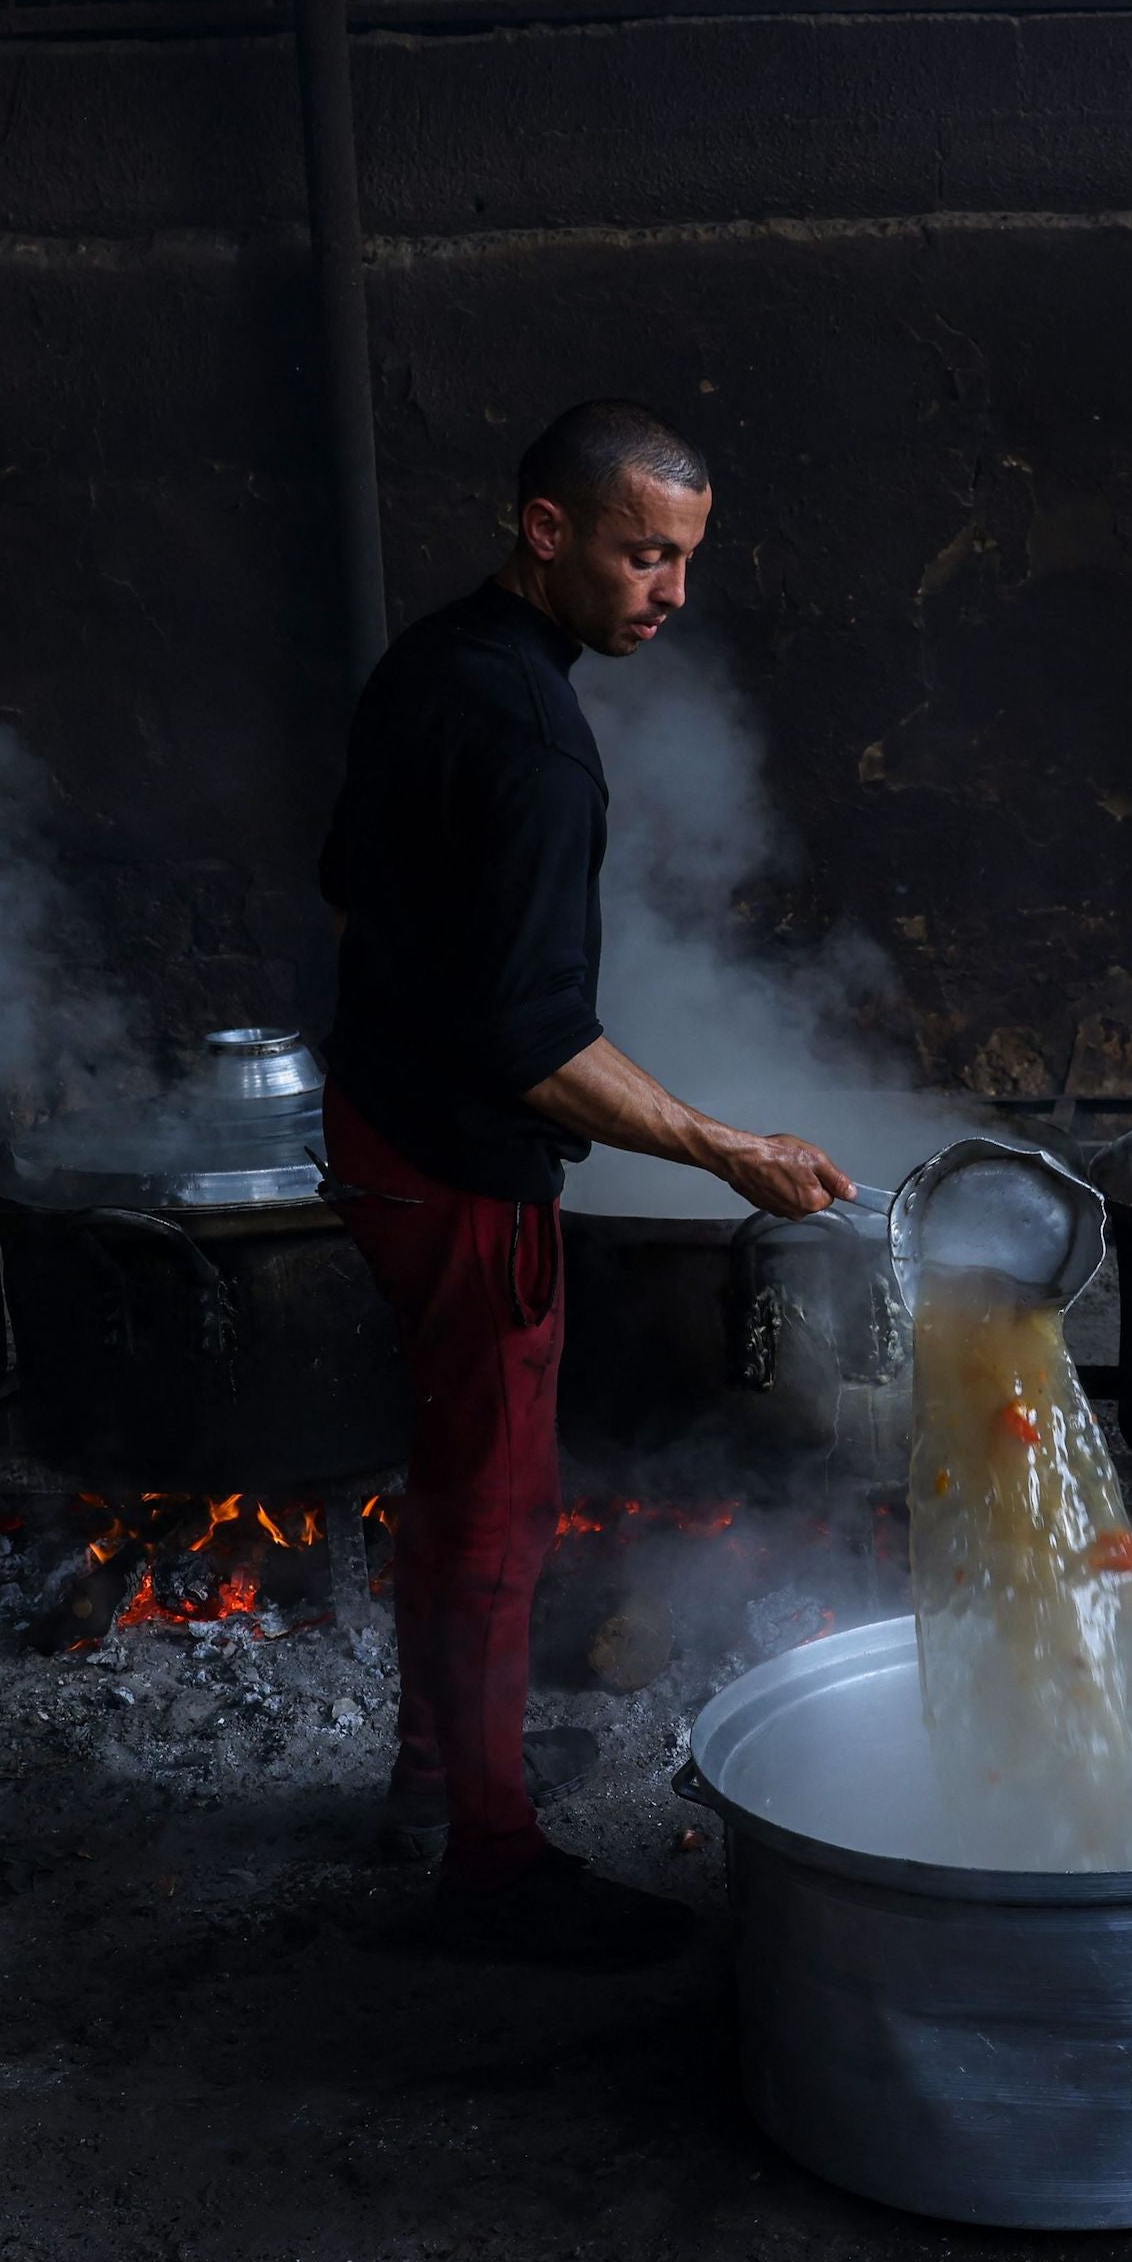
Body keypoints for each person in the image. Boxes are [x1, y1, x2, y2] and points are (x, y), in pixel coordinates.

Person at [318, 398, 854, 1968]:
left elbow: (348, 888)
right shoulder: (539, 746)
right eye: (643, 553)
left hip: (376, 1133)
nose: (671, 592)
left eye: (687, 558)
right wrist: (728, 1149)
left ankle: (434, 1766)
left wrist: (421, 1017)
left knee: (450, 1475)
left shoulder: (430, 661)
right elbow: (537, 1039)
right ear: (542, 530)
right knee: (500, 1513)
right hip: (465, 1173)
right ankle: (490, 1857)